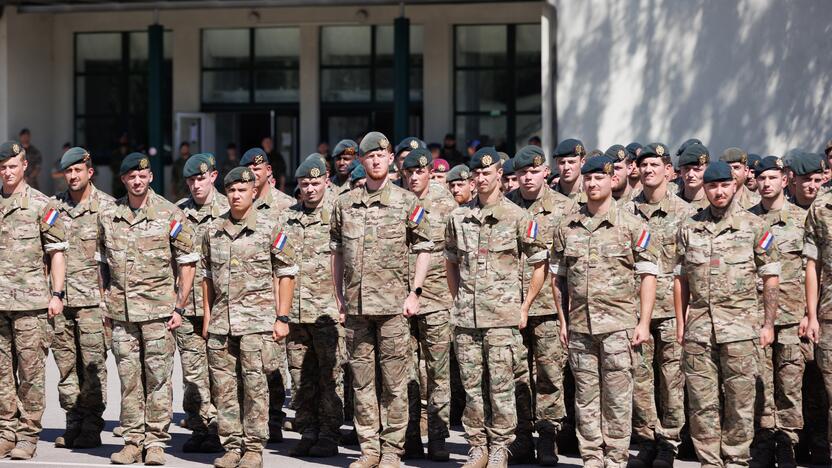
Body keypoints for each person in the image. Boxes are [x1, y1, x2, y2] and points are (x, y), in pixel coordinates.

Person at [330, 131, 433, 468]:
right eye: (368, 156)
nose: (374, 160)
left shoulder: (407, 202)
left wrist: (415, 292)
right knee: (361, 383)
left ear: (391, 159)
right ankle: (369, 449)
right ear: (361, 161)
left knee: (394, 383)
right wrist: (339, 298)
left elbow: (423, 248)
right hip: (357, 309)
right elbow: (337, 253)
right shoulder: (344, 204)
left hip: (393, 309)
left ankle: (391, 450)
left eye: (381, 155)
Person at [550, 154, 659, 468]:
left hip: (619, 326)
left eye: (600, 177)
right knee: (585, 396)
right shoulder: (567, 226)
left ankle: (615, 457)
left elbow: (648, 275)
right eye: (589, 178)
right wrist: (562, 319)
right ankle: (592, 457)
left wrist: (644, 322)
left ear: (613, 180)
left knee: (617, 397)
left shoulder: (632, 224)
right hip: (580, 327)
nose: (593, 183)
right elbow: (558, 277)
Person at [444, 146, 548, 468]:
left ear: (500, 174)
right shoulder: (458, 218)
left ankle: (501, 447)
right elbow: (450, 262)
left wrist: (524, 306)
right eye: (476, 173)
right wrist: (456, 299)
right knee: (472, 386)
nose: (480, 178)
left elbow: (538, 263)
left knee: (502, 385)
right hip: (467, 317)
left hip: (503, 318)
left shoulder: (518, 217)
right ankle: (477, 446)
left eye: (486, 173)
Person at [674, 160, 780, 467]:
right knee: (701, 403)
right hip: (698, 331)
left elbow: (771, 277)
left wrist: (768, 324)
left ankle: (735, 460)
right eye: (712, 186)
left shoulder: (754, 226)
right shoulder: (689, 228)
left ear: (735, 186)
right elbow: (679, 280)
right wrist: (681, 324)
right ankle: (709, 461)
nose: (718, 192)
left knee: (739, 402)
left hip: (740, 331)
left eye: (724, 185)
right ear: (704, 188)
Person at [99, 152, 198, 465]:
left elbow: (187, 262)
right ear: (124, 179)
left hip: (158, 313)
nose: (137, 181)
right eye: (131, 177)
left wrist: (179, 305)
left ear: (151, 177)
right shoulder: (109, 215)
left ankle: (155, 442)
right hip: (121, 315)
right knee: (128, 379)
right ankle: (132, 441)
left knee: (157, 379)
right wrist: (105, 300)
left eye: (142, 176)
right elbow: (101, 264)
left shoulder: (170, 214)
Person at [201, 166, 295, 468]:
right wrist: (206, 316)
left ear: (254, 192)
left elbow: (286, 273)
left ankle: (254, 448)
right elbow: (206, 278)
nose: (236, 195)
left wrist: (282, 317)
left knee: (255, 387)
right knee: (224, 388)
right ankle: (232, 445)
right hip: (221, 323)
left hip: (257, 323)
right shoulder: (213, 230)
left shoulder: (271, 227)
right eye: (232, 190)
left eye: (242, 190)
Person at [623, 143, 693, 468]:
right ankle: (648, 439)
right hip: (635, 310)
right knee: (639, 377)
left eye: (655, 164)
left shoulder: (686, 214)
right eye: (643, 165)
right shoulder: (625, 212)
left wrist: (687, 313)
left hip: (672, 310)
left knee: (671, 380)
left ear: (668, 170)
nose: (648, 169)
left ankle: (669, 443)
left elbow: (692, 267)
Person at [270, 157, 345, 459]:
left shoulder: (338, 214)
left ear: (327, 180)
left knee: (330, 374)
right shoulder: (286, 218)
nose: (311, 189)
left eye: (316, 183)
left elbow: (348, 261)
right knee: (300, 375)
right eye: (305, 184)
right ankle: (307, 430)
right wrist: (280, 313)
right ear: (297, 186)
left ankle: (328, 433)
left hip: (328, 310)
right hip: (296, 312)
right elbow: (277, 266)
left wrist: (344, 303)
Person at [507, 145, 577, 466]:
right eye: (522, 172)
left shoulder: (565, 208)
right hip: (512, 305)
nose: (528, 177)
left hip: (549, 306)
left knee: (550, 374)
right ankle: (521, 436)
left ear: (545, 172)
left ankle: (548, 436)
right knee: (516, 374)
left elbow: (569, 262)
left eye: (534, 171)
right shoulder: (507, 207)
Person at [0, 141, 67, 460]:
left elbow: (57, 253)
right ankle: (5, 430)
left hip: (31, 305)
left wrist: (57, 294)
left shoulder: (42, 204)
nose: (7, 171)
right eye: (3, 167)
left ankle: (27, 435)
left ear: (24, 166)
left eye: (13, 165)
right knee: (1, 372)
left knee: (30, 373)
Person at [52, 147, 114, 451]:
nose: (73, 176)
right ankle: (73, 421)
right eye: (69, 171)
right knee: (66, 366)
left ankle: (92, 425)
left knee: (92, 367)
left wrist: (110, 305)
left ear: (90, 172)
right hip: (62, 303)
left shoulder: (108, 208)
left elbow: (116, 260)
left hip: (93, 303)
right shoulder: (54, 207)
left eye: (79, 170)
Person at [748, 156, 807, 467]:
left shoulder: (801, 219)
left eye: (773, 177)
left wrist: (810, 313)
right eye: (762, 178)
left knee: (789, 385)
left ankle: (788, 442)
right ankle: (763, 441)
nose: (766, 183)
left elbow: (815, 269)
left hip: (792, 317)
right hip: (756, 316)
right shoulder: (747, 221)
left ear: (786, 180)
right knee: (760, 384)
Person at [400, 148, 458, 461]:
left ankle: (438, 437)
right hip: (400, 298)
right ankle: (409, 436)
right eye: (408, 172)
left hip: (436, 299)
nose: (413, 178)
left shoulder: (447, 203)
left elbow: (456, 252)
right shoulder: (397, 200)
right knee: (404, 372)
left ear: (428, 172)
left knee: (438, 372)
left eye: (419, 172)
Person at [239, 147, 294, 441]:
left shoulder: (286, 206)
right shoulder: (235, 204)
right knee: (253, 365)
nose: (253, 172)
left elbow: (290, 258)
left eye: (258, 168)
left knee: (275, 364)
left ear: (269, 171)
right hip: (247, 298)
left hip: (277, 297)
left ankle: (274, 418)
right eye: (248, 167)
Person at [175, 153, 226, 453]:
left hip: (219, 306)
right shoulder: (179, 213)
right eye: (191, 180)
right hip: (187, 307)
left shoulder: (228, 209)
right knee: (193, 374)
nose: (196, 185)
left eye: (201, 178)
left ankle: (223, 429)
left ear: (213, 177)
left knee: (221, 371)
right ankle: (199, 428)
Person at [676, 143, 710, 212]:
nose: (691, 174)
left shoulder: (714, 204)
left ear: (707, 170)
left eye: (697, 169)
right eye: (686, 169)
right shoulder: (672, 203)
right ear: (680, 170)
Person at [110, 133, 131, 199]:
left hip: (128, 179)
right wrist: (118, 173)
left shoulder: (130, 153)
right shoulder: (115, 153)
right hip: (117, 180)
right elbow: (112, 166)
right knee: (117, 198)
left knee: (129, 197)